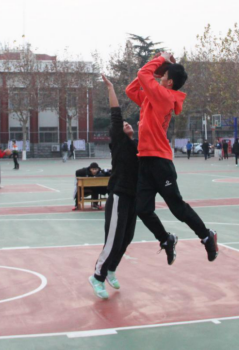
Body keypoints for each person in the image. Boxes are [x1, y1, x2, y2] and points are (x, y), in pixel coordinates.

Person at [125, 52, 218, 265]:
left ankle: (206, 236)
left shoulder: (165, 97)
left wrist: (161, 58)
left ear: (169, 82)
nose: (159, 77)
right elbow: (131, 90)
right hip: (145, 161)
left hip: (160, 162)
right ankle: (166, 240)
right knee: (142, 209)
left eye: (163, 75)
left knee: (177, 207)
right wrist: (156, 70)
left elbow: (143, 74)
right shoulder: (152, 97)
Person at [88, 74, 140, 299]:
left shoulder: (138, 146)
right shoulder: (119, 142)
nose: (127, 123)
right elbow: (116, 114)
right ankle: (97, 276)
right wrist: (110, 88)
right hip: (119, 194)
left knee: (127, 237)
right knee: (113, 239)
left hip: (133, 197)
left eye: (130, 123)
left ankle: (111, 269)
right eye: (124, 124)